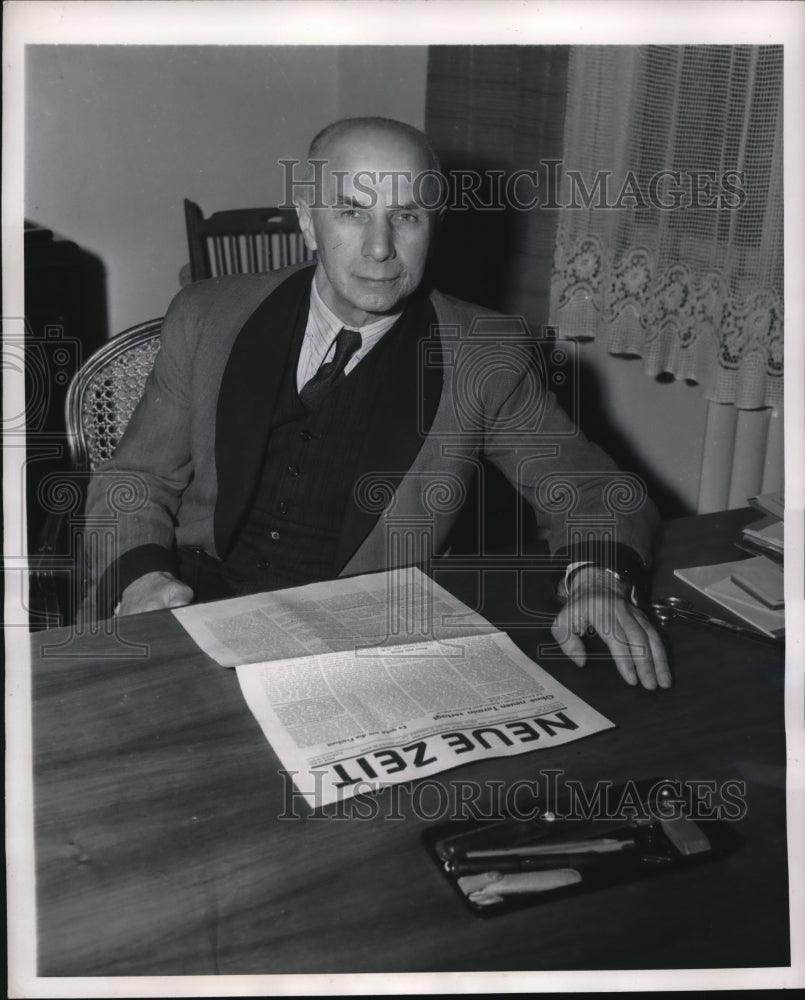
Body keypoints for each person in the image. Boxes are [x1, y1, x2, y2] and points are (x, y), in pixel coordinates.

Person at [84, 116, 671, 690]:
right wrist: (141, 577)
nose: (380, 247)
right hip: (194, 602)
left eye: (407, 216)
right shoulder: (207, 315)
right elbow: (135, 478)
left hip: (362, 638)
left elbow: (594, 489)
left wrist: (598, 579)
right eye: (351, 212)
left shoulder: (483, 353)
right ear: (309, 223)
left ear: (434, 227)